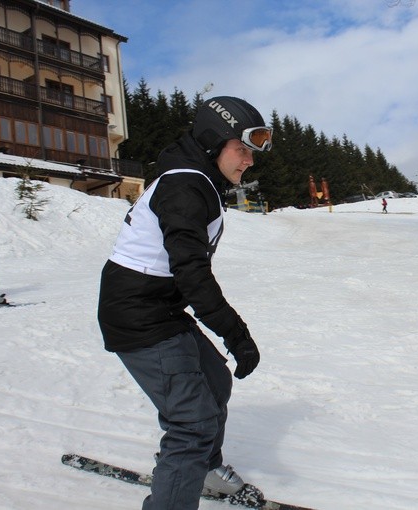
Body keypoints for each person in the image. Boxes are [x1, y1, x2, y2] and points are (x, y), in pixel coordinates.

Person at [97, 96, 272, 510]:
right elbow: (191, 273)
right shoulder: (186, 186)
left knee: (215, 384)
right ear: (215, 142)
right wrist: (236, 333)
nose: (248, 161)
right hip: (138, 312)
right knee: (192, 422)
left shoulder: (196, 179)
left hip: (160, 306)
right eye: (241, 149)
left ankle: (204, 469)